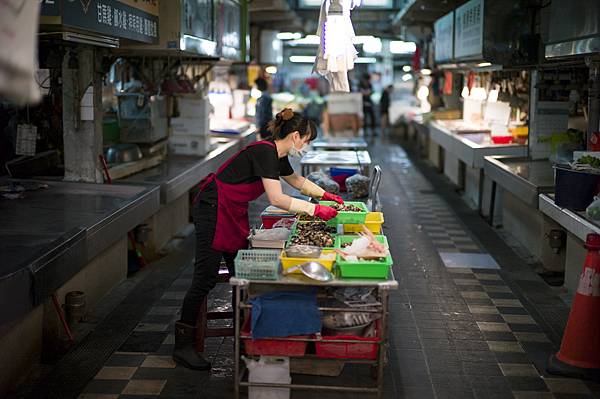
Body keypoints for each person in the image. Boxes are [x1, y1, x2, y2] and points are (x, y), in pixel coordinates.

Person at [173, 109, 343, 370]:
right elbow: (276, 199)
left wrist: (325, 195)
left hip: (232, 211)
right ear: (296, 136)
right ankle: (183, 346)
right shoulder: (265, 152)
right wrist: (315, 209)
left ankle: (243, 336)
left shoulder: (278, 155)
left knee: (241, 272)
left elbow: (296, 181)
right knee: (205, 277)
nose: (306, 146)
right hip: (213, 207)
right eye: (307, 140)